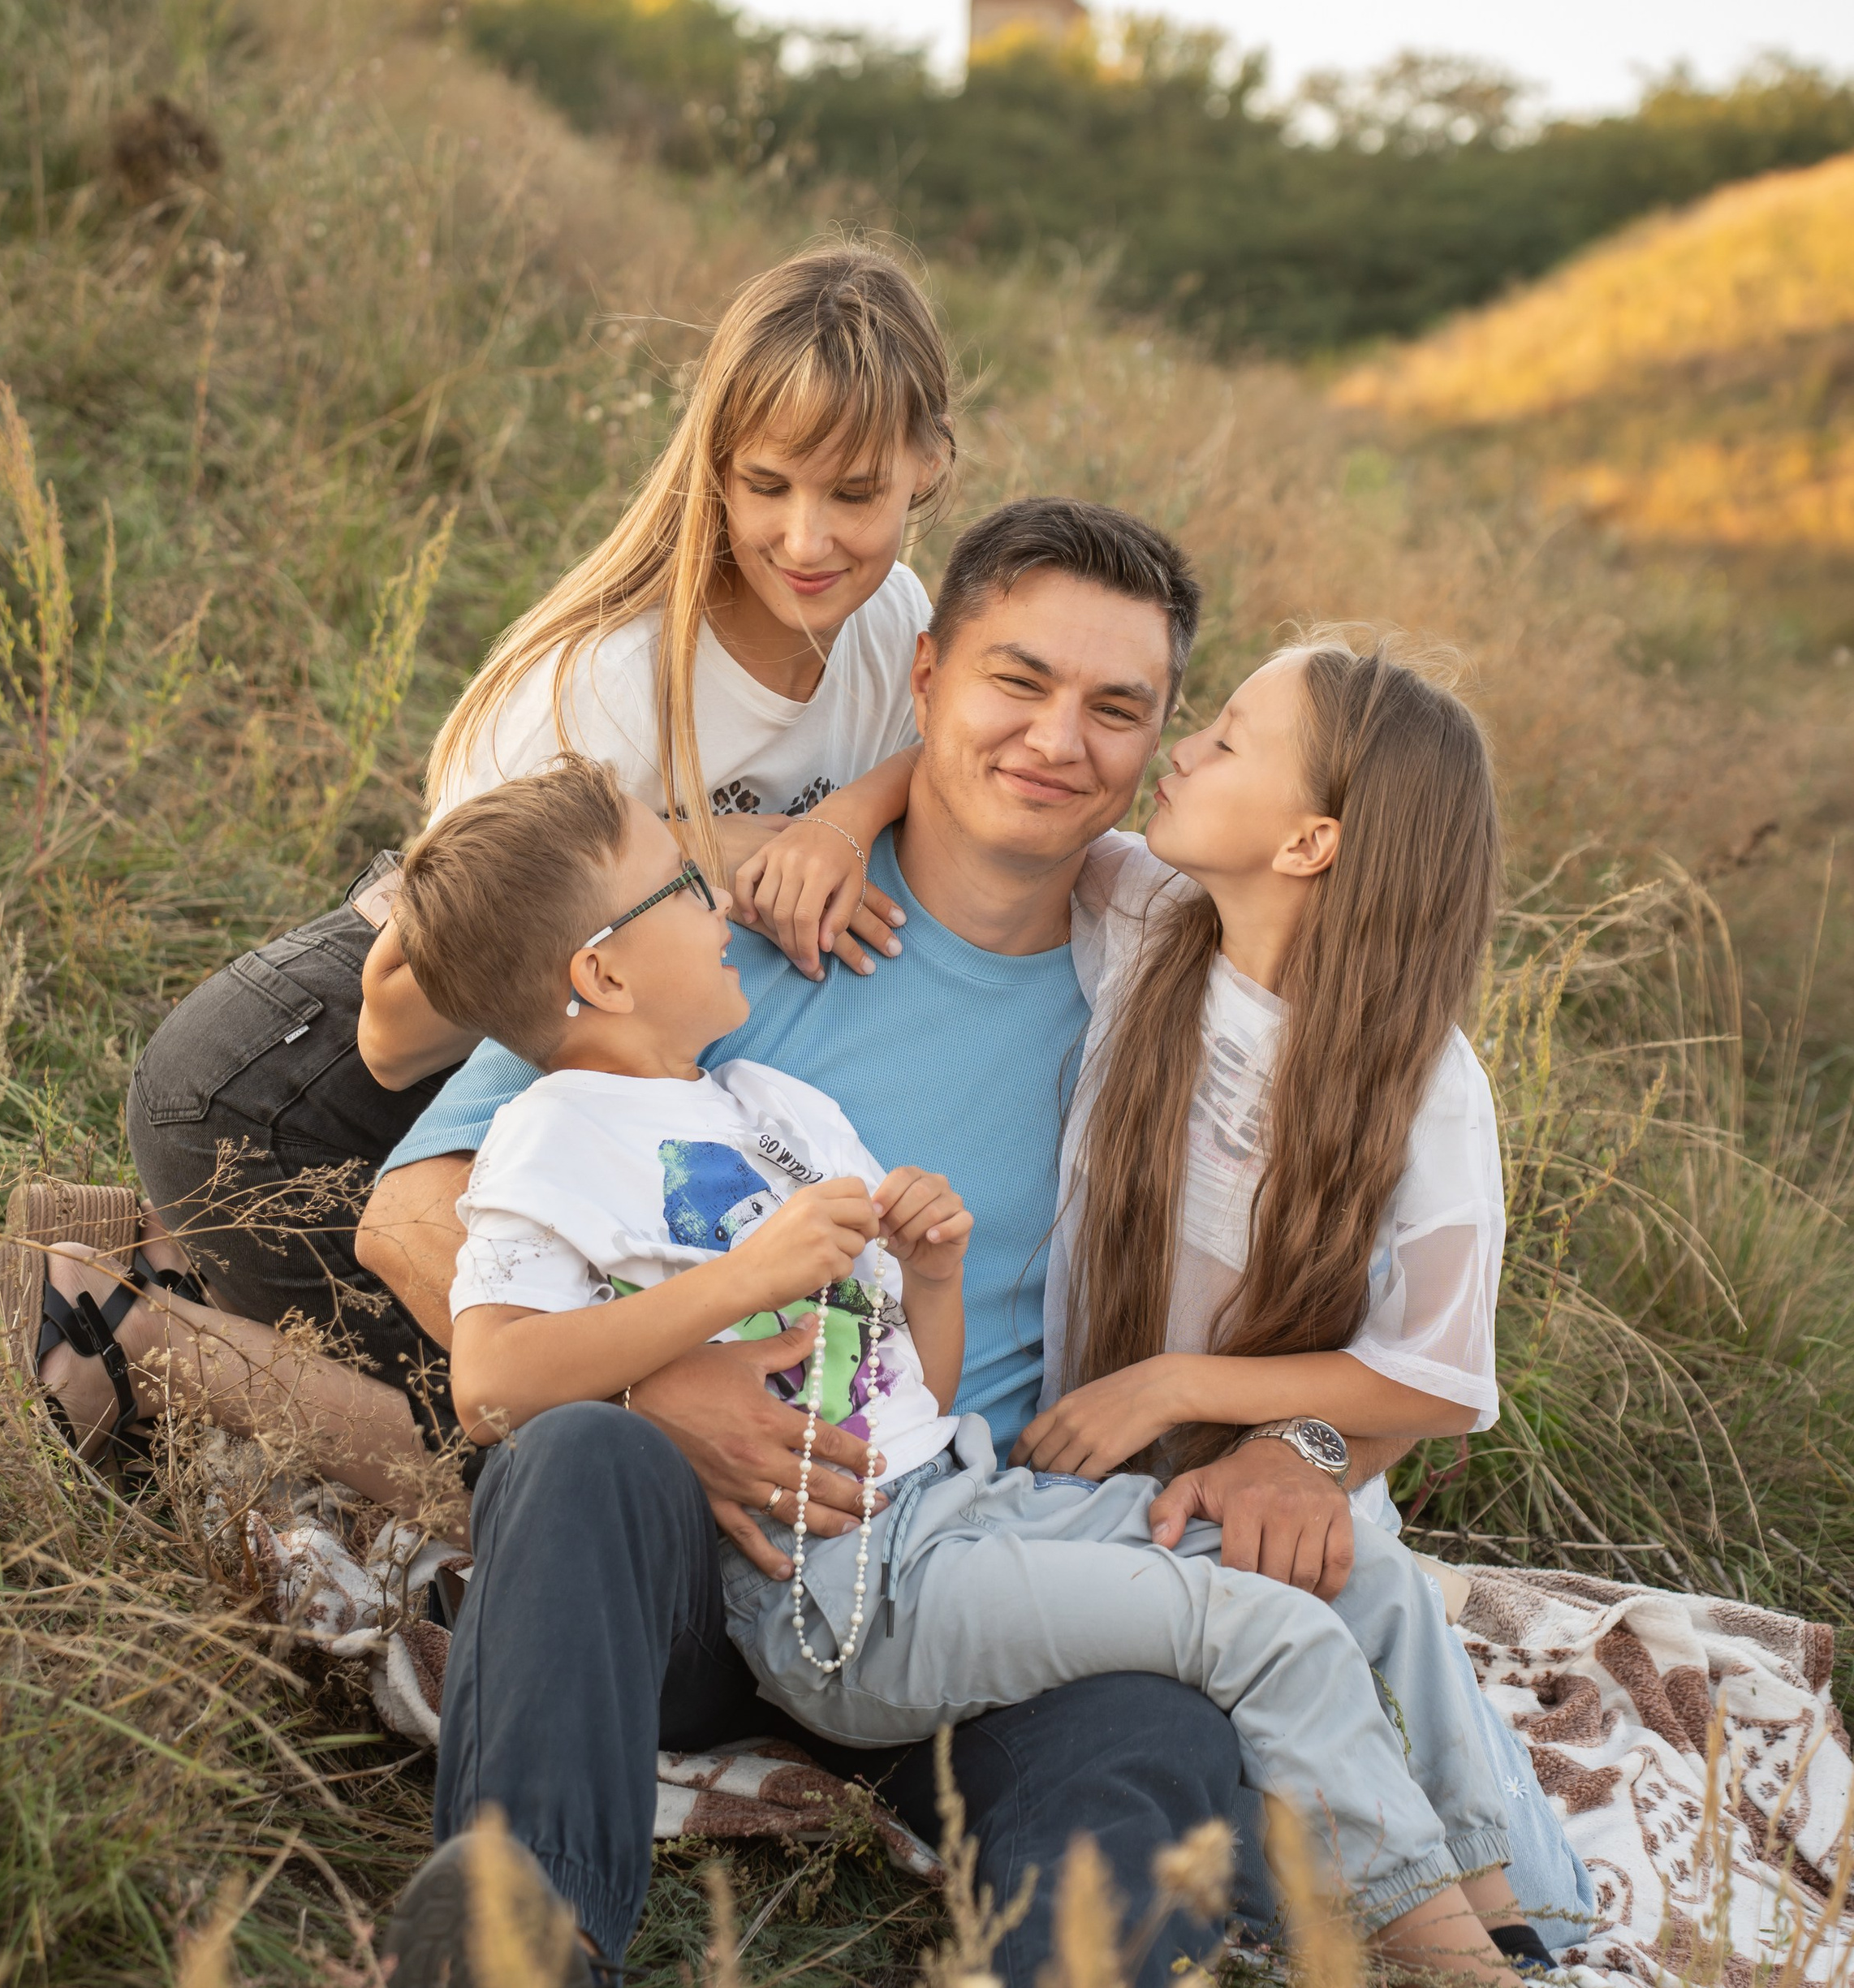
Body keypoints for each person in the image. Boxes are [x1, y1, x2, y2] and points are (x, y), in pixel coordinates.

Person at [362, 498, 1328, 1986]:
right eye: (1019, 681)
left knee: (1156, 1736)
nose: (1058, 742)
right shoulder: (704, 951)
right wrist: (651, 1388)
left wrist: (1301, 1452)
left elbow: (1360, 1273)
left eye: (1116, 708)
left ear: (1159, 742)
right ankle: (518, 1944)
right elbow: (415, 1207)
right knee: (575, 1460)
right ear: (927, 673)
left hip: (963, 1561)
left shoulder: (1172, 985)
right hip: (706, 1559)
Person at [395, 748, 1537, 1988]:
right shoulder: (550, 1131)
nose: (716, 899)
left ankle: (1505, 1920)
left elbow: (908, 1395)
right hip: (827, 1580)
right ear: (601, 970)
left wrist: (929, 1277)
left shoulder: (776, 1107)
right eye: (679, 885)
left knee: (1350, 1572)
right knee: (1262, 1633)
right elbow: (493, 1381)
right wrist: (728, 1294)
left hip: (954, 1507)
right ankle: (520, 1949)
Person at [118, 243, 958, 1465]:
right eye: (766, 485)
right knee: (527, 1434)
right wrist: (710, 851)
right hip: (303, 1086)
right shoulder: (608, 681)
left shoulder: (893, 623)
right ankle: (123, 1333)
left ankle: (152, 1273)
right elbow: (394, 1030)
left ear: (930, 464)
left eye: (856, 493)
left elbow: (945, 753)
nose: (807, 537)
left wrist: (842, 817)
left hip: (541, 1096)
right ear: (712, 468)